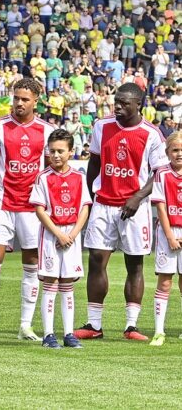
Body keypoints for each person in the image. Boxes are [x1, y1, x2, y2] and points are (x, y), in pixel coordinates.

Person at [75, 82, 168, 341]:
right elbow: (94, 162)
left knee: (135, 264)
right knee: (96, 261)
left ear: (139, 104)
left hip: (134, 208)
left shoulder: (151, 133)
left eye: (124, 103)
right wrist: (91, 197)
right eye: (116, 101)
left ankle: (131, 326)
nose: (118, 106)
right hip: (104, 204)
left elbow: (159, 171)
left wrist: (138, 197)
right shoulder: (101, 126)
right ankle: (94, 325)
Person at [0, 78, 54, 343]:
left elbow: (48, 173)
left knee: (32, 264)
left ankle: (25, 325)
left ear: (36, 101)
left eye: (25, 99)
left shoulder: (46, 130)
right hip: (1, 204)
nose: (19, 103)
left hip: (32, 208)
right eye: (16, 98)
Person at [29, 129, 91, 349]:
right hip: (51, 236)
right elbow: (39, 209)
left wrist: (72, 235)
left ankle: (68, 333)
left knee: (67, 284)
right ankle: (48, 334)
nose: (55, 155)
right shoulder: (43, 177)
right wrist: (59, 233)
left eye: (60, 151)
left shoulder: (79, 177)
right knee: (51, 282)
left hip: (71, 236)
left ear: (71, 152)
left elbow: (84, 207)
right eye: (52, 151)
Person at [149, 131, 182, 347]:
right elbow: (160, 205)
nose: (179, 154)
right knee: (165, 281)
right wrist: (169, 234)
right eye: (175, 150)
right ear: (167, 152)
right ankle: (159, 331)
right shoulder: (161, 173)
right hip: (167, 233)